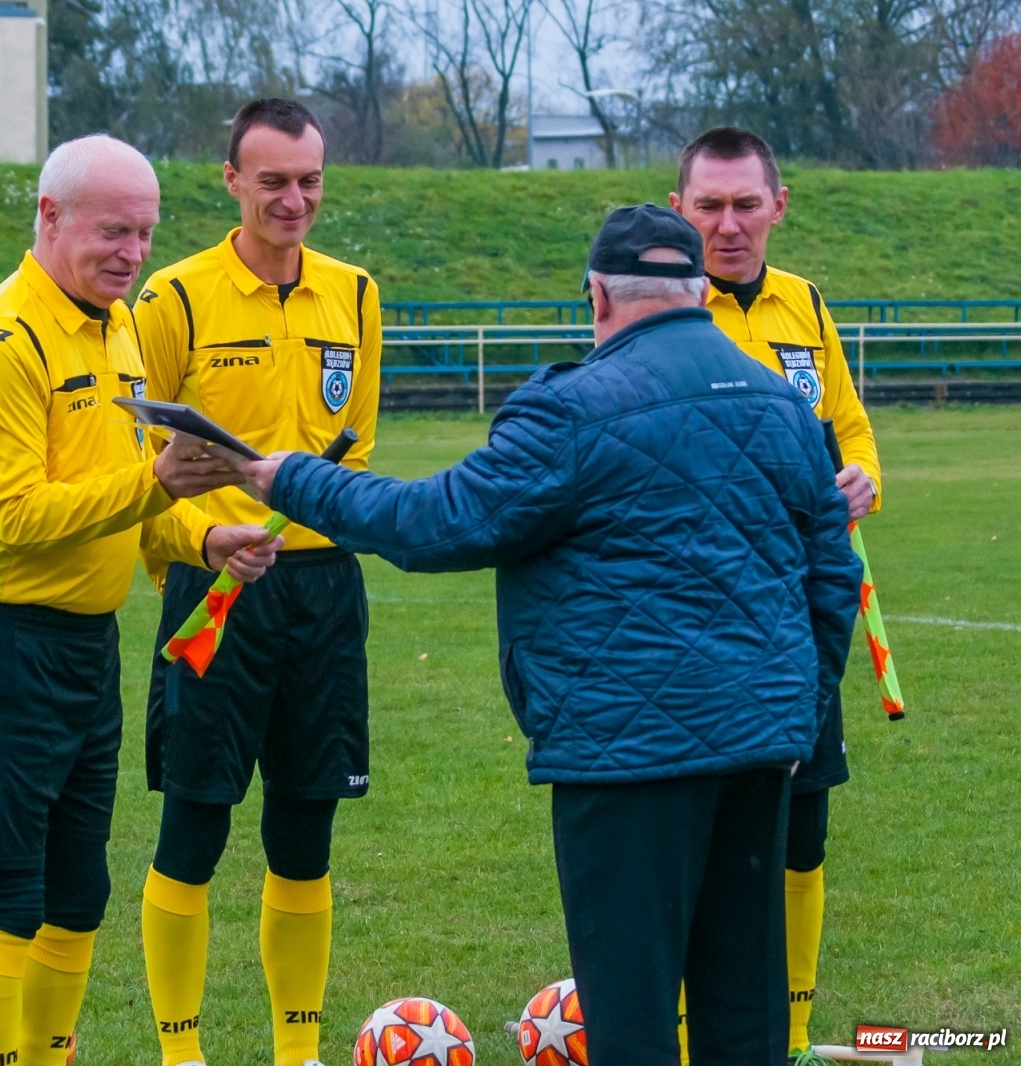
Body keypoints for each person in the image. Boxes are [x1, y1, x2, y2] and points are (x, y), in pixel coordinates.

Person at [242, 205, 862, 1066]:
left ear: (598, 295)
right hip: (760, 749)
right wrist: (800, 711)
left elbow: (431, 524)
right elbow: (833, 579)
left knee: (632, 1016)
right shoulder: (783, 403)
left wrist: (288, 477)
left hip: (626, 756)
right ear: (701, 295)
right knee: (742, 1014)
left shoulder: (572, 407)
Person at [0, 133, 283, 1066]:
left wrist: (206, 539)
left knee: (79, 891)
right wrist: (159, 487)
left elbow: (123, 502)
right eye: (113, 231)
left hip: (87, 648)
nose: (132, 254)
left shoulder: (117, 326)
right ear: (49, 218)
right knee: (7, 888)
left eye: (145, 235)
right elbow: (18, 516)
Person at [130, 97, 382, 1066]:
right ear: (231, 180)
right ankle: (181, 1051)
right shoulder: (174, 297)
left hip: (321, 594)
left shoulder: (354, 293)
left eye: (309, 180)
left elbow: (353, 452)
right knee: (194, 821)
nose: (293, 199)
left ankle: (296, 1050)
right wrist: (208, 539)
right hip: (212, 594)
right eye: (272, 180)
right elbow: (140, 471)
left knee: (305, 830)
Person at [671, 127, 882, 1065]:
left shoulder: (807, 306)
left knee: (802, 833)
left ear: (778, 206)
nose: (727, 225)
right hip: (699, 612)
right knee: (693, 842)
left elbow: (851, 430)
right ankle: (682, 1033)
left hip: (801, 613)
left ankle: (790, 1036)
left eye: (744, 205)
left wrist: (864, 476)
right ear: (680, 210)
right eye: (708, 206)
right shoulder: (660, 309)